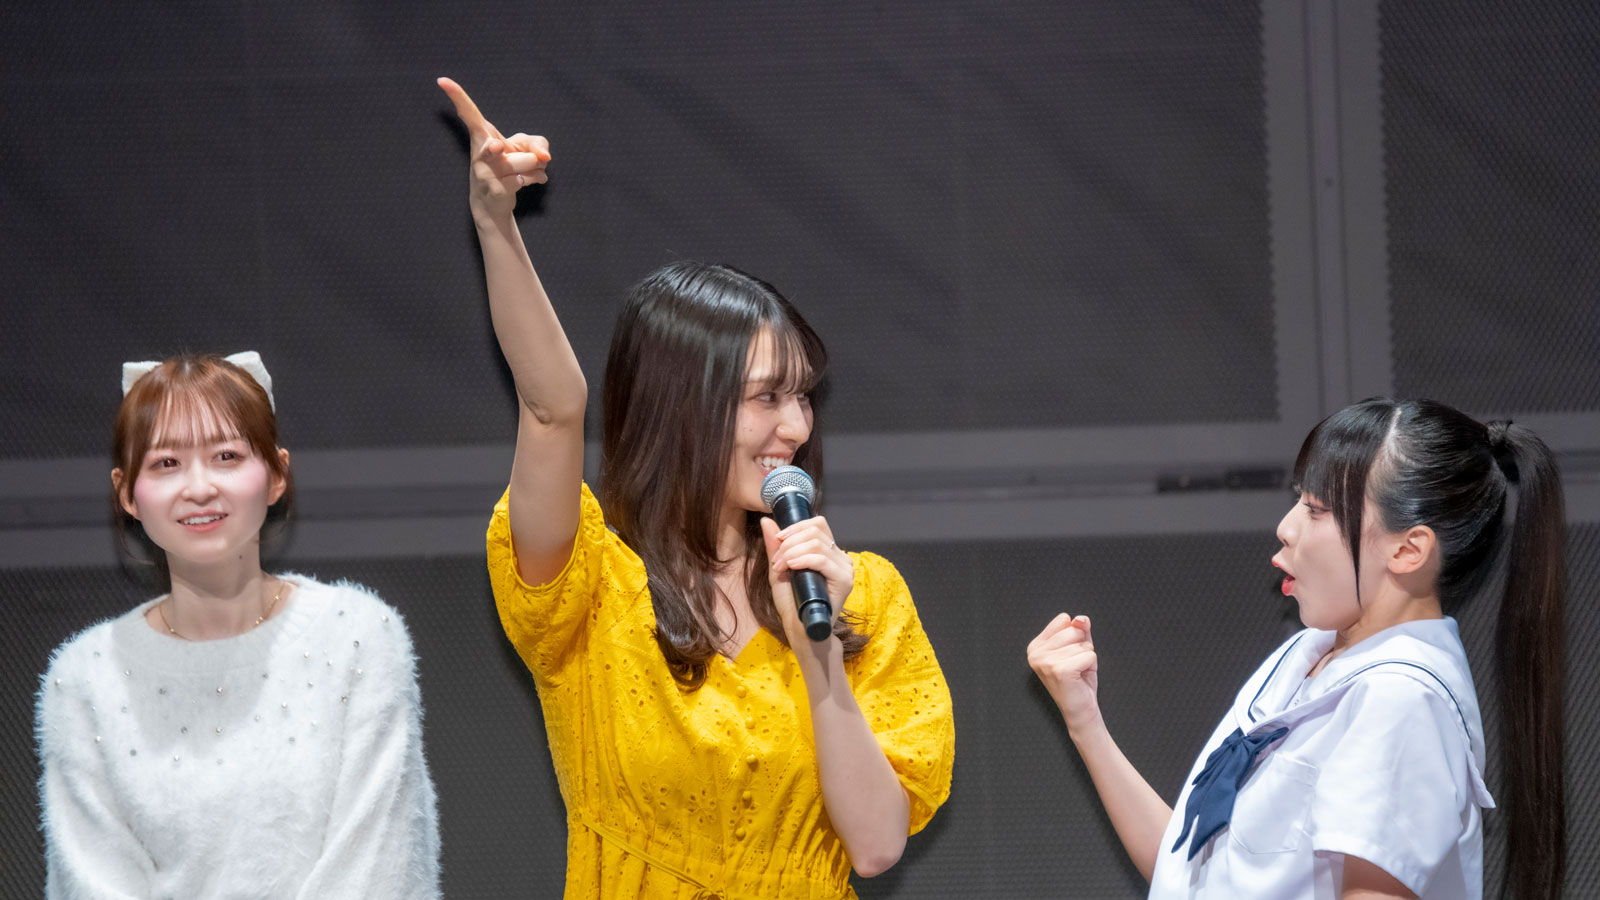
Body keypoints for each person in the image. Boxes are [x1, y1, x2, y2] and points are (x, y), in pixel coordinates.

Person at [439, 77, 954, 899]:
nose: (795, 426)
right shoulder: (590, 588)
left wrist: (820, 651)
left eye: (803, 398)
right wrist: (495, 223)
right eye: (766, 398)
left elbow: (877, 845)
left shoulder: (863, 595)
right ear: (684, 405)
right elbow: (551, 405)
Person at [1028, 398, 1566, 899]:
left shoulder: (1402, 700)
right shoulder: (1310, 654)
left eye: (1317, 509)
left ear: (1408, 550)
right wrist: (1085, 720)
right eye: (1298, 501)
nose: (1286, 528)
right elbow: (1188, 872)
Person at [36, 352, 441, 899]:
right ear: (127, 492)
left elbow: (382, 867)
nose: (199, 487)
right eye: (166, 463)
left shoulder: (358, 636)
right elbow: (91, 882)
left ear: (276, 474)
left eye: (226, 456)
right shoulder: (85, 678)